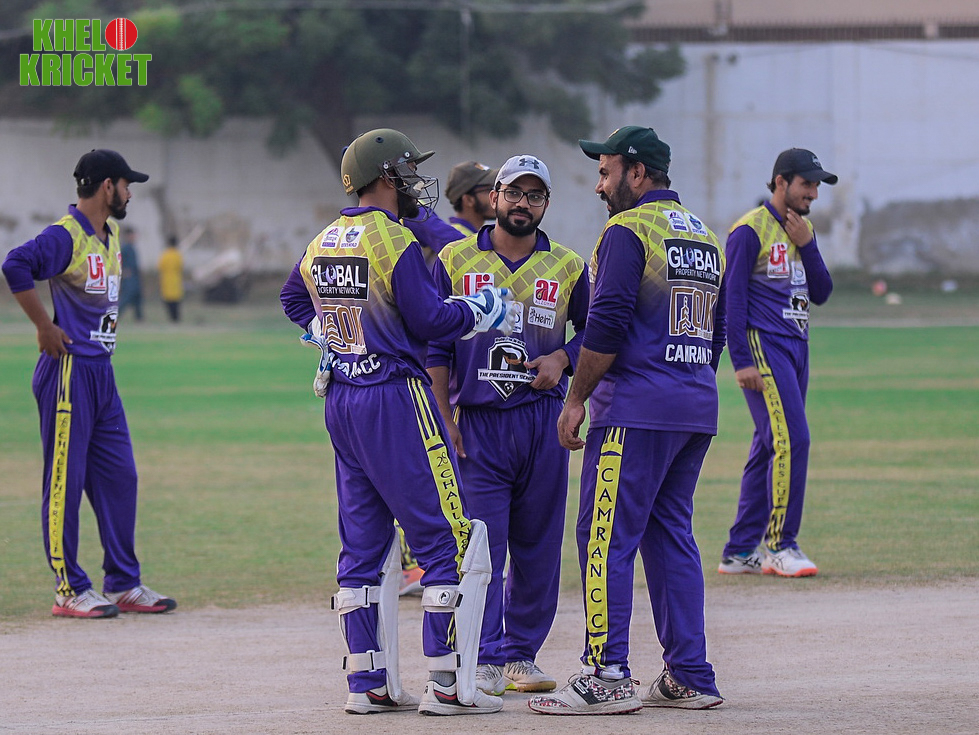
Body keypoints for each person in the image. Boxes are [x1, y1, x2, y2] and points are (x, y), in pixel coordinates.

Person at [279, 128, 518, 716]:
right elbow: (430, 320)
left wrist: (330, 334)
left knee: (362, 546)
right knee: (448, 538)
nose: (414, 181)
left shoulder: (323, 239)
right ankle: (448, 684)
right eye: (408, 170)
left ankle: (368, 683)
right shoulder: (395, 239)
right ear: (386, 176)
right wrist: (479, 310)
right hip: (395, 396)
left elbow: (292, 299)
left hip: (342, 398)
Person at [528, 126, 726, 715]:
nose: (599, 186)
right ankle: (689, 674)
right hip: (694, 406)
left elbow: (607, 322)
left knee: (603, 536)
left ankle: (607, 673)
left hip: (635, 410)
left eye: (605, 172)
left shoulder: (628, 230)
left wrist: (576, 398)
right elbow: (716, 331)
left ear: (637, 173)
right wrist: (683, 382)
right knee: (671, 536)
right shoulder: (703, 235)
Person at [428, 155, 589, 697]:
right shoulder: (454, 259)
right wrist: (444, 417)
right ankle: (486, 655)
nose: (523, 203)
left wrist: (563, 358)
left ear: (546, 204)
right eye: (513, 193)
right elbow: (434, 345)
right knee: (482, 546)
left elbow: (597, 331)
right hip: (477, 422)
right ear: (493, 197)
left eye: (534, 195)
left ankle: (522, 653)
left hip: (543, 421)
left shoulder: (567, 265)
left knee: (538, 546)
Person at [1, 149, 177, 619]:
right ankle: (69, 588)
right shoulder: (66, 235)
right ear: (107, 186)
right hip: (68, 371)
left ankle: (122, 582)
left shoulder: (110, 234)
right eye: (126, 185)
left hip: (102, 373)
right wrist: (44, 326)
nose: (130, 194)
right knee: (66, 481)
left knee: (121, 477)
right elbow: (15, 265)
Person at [717, 148, 836, 578]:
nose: (814, 193)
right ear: (781, 182)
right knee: (794, 440)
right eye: (807, 184)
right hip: (764, 345)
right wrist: (741, 361)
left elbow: (822, 292)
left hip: (797, 346)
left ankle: (738, 552)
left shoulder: (803, 230)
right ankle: (780, 544)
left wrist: (808, 245)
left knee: (770, 443)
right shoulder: (749, 230)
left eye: (816, 185)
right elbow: (731, 299)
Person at [443, 161, 498, 236]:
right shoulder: (458, 237)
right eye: (489, 190)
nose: (496, 195)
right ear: (468, 200)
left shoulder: (474, 235)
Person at [118, 226, 143, 321]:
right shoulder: (125, 248)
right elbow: (119, 261)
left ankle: (139, 319)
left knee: (138, 299)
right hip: (129, 278)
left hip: (135, 277)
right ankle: (114, 316)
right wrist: (122, 272)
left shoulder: (133, 248)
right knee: (126, 298)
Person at [158, 235, 184, 322]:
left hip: (166, 280)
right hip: (176, 280)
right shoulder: (178, 255)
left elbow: (160, 267)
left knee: (168, 300)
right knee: (176, 301)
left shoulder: (165, 255)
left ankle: (171, 318)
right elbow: (180, 267)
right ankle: (176, 318)